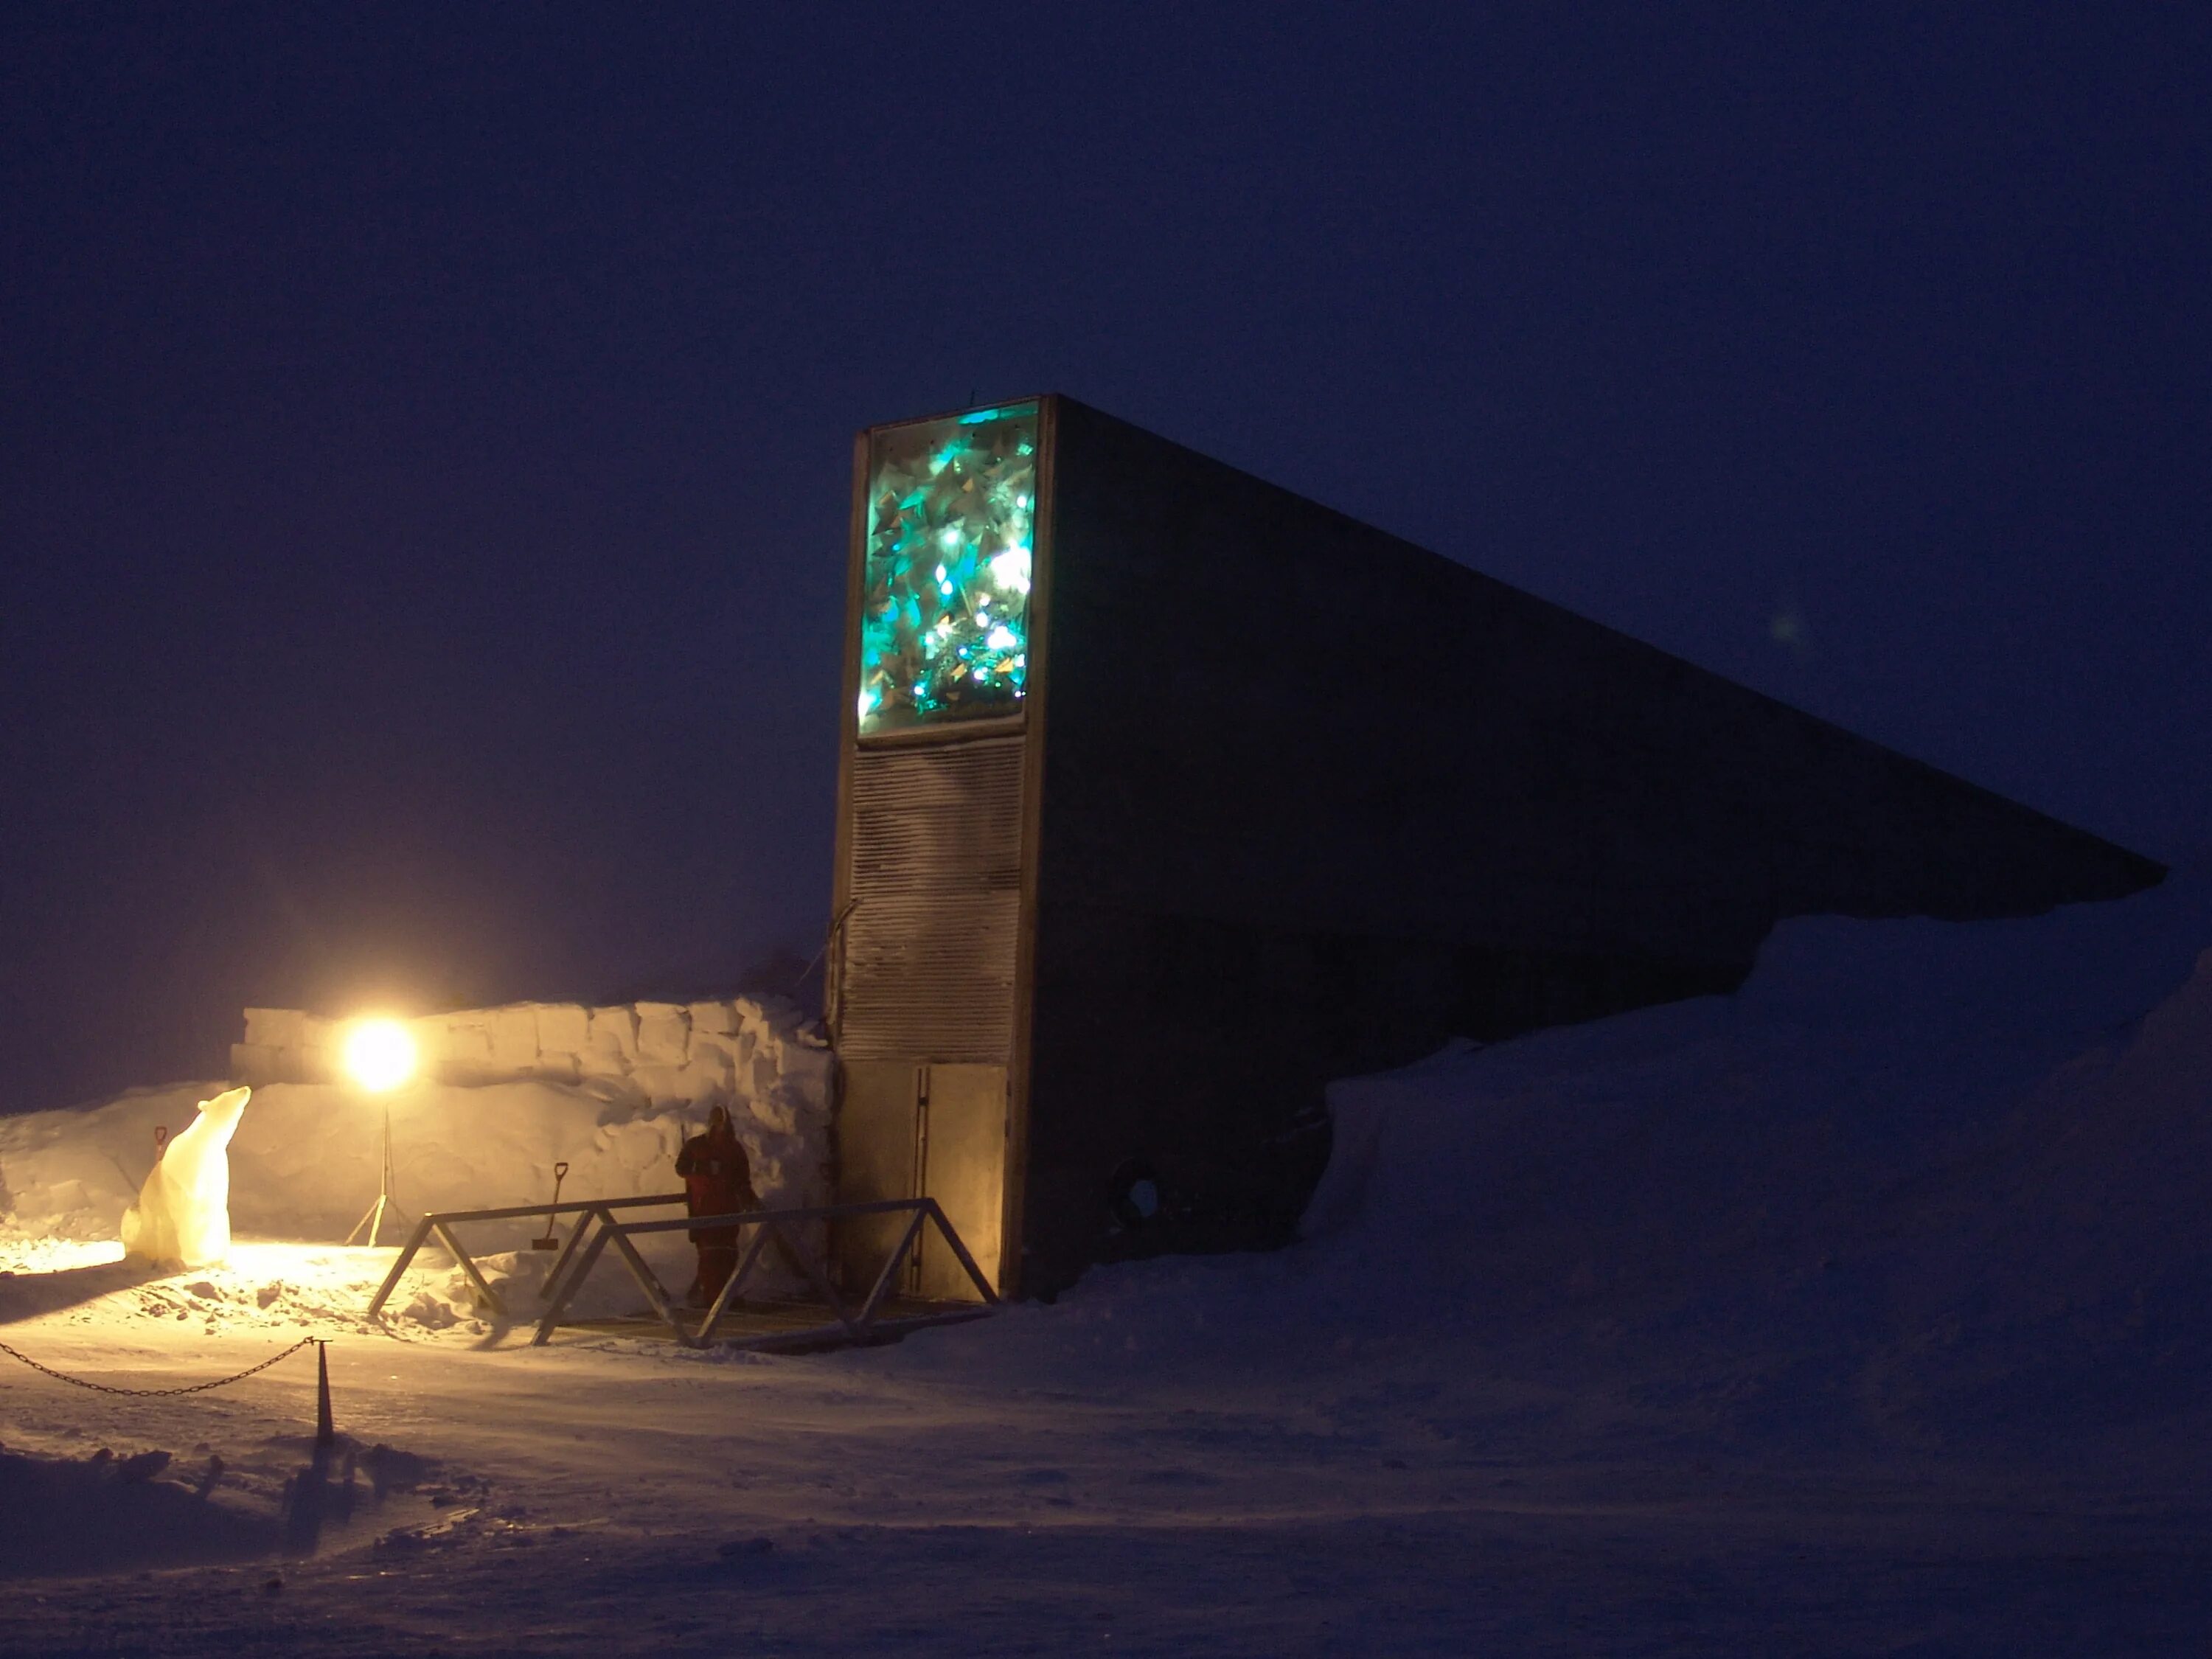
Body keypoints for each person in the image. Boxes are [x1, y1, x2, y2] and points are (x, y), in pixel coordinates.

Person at [675, 1105, 757, 1307]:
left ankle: (725, 1296)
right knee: (709, 1255)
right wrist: (703, 1168)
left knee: (728, 1254)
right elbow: (681, 1168)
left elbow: (742, 1179)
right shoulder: (696, 1146)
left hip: (728, 1209)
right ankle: (713, 1299)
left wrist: (747, 1197)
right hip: (704, 1209)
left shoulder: (734, 1149)